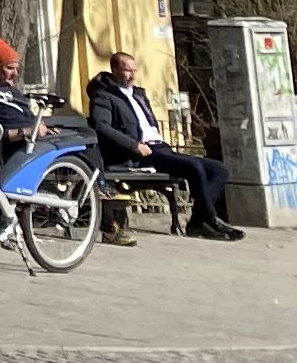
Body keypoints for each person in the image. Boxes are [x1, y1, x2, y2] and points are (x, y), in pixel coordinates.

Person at [90, 49, 243, 240]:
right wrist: (134, 145)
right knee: (193, 168)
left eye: (134, 70)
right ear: (114, 69)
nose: (132, 75)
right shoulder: (104, 96)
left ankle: (198, 221)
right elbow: (101, 126)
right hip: (140, 153)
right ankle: (211, 220)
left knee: (219, 170)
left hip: (161, 147)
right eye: (127, 70)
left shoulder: (138, 95)